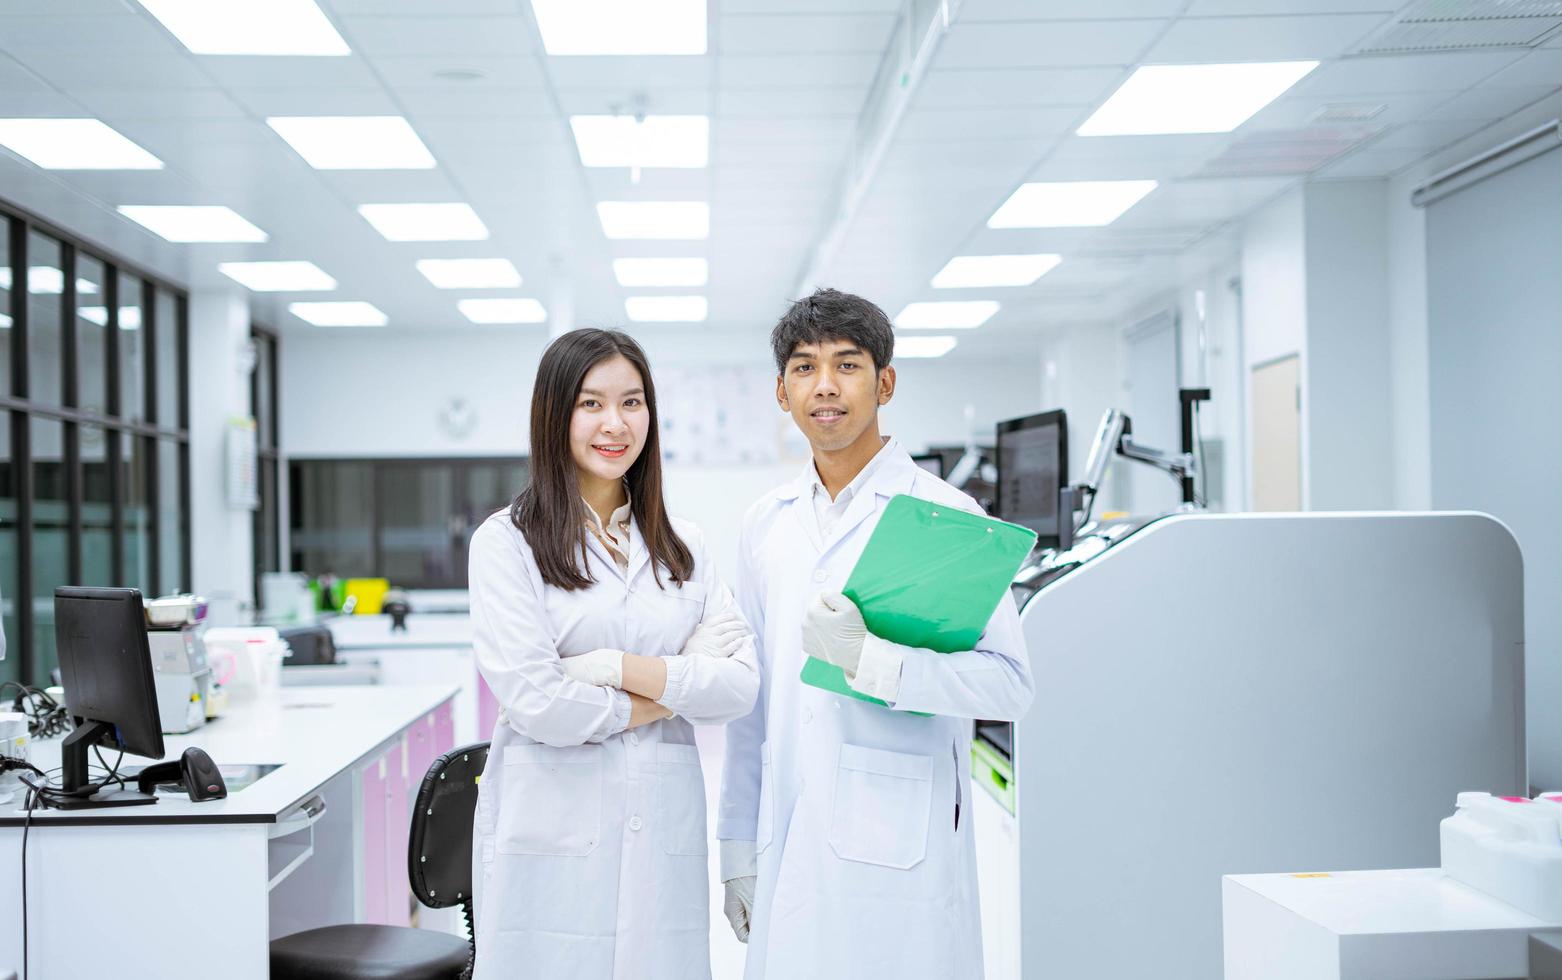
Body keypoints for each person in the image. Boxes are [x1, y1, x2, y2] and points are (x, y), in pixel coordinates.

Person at [717, 289, 1034, 979]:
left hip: (904, 848)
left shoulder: (947, 517)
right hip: (786, 837)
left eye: (847, 365)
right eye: (803, 367)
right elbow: (753, 705)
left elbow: (1010, 687)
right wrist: (736, 845)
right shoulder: (764, 523)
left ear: (885, 382)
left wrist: (878, 665)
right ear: (781, 391)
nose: (824, 387)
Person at [468, 328, 759, 980]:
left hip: (662, 837)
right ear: (555, 414)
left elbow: (738, 687)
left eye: (632, 402)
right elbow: (540, 703)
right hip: (551, 840)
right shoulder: (507, 543)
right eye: (591, 403)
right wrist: (676, 687)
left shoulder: (685, 546)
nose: (615, 423)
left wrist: (609, 672)